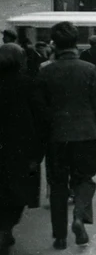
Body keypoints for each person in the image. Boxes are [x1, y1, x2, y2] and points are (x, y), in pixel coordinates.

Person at [37, 22, 96, 250]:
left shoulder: (45, 71)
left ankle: (60, 237)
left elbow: (41, 109)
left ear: (54, 44)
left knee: (57, 186)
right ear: (76, 43)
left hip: (56, 137)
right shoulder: (89, 69)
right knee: (84, 179)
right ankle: (79, 217)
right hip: (86, 134)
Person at [0, 44, 46, 254]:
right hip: (19, 150)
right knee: (17, 193)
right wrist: (39, 151)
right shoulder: (28, 84)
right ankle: (6, 227)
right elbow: (40, 119)